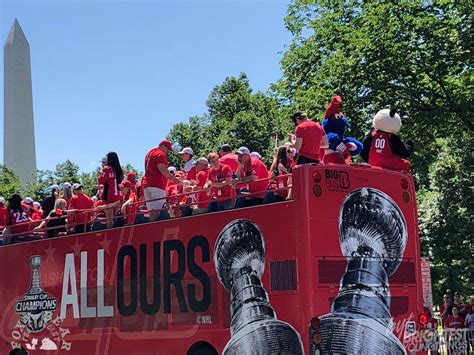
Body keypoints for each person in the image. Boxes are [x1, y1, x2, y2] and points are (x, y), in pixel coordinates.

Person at [142, 139, 182, 221]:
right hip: (157, 185)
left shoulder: (149, 153)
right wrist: (175, 180)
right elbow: (162, 170)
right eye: (168, 149)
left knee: (152, 211)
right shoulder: (160, 154)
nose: (167, 152)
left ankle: (152, 229)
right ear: (164, 146)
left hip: (147, 185)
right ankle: (155, 230)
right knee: (158, 211)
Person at [98, 152, 124, 228]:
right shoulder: (120, 170)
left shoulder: (107, 169)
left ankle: (111, 237)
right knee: (117, 219)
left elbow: (101, 181)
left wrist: (101, 170)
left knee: (109, 220)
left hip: (108, 196)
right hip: (118, 196)